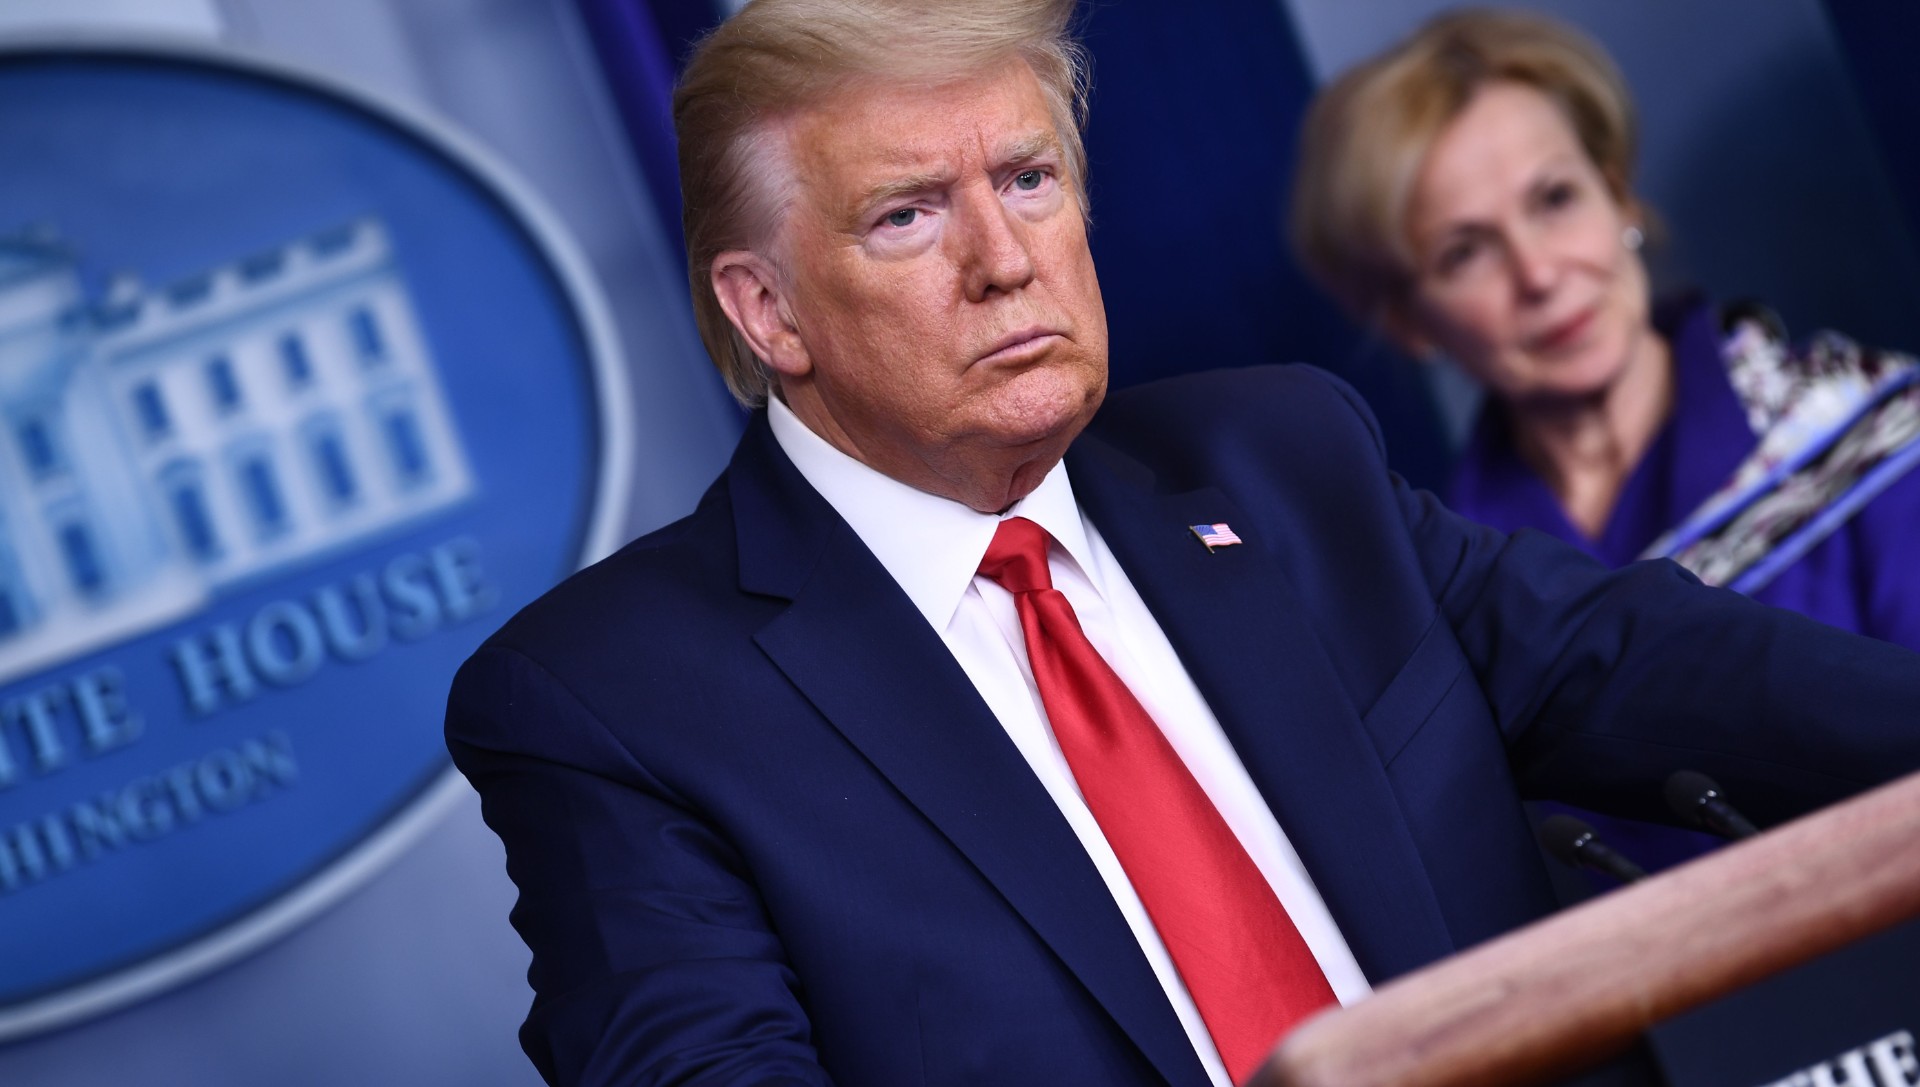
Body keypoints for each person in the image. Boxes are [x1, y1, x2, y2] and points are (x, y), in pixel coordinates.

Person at [445, 2, 1920, 1085]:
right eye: (907, 215)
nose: (1005, 256)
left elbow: (1678, 668)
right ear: (768, 314)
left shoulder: (1282, 464)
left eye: (1027, 179)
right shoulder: (614, 703)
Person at [1289, 7, 1920, 653]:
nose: (1538, 273)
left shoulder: (1885, 431)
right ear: (1409, 321)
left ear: (1620, 198)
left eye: (1555, 199)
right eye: (1464, 251)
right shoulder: (1444, 598)